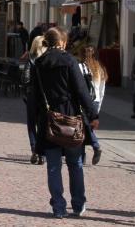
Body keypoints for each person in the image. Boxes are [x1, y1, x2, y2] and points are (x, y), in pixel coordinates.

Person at [31, 27, 99, 218]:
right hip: (70, 116)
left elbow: (35, 95)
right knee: (74, 163)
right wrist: (93, 114)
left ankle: (58, 207)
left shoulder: (39, 63)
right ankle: (78, 204)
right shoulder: (69, 61)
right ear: (62, 42)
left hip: (49, 117)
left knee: (53, 166)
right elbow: (81, 90)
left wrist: (36, 121)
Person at [78, 45, 107, 165]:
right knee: (86, 127)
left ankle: (94, 146)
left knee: (83, 128)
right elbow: (102, 89)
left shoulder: (80, 67)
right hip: (95, 101)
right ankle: (83, 156)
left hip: (84, 101)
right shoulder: (100, 68)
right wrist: (98, 107)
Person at [24, 36, 47, 165]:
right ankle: (42, 153)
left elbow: (25, 78)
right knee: (43, 124)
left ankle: (34, 150)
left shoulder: (31, 58)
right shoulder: (48, 58)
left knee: (32, 123)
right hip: (45, 96)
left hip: (32, 94)